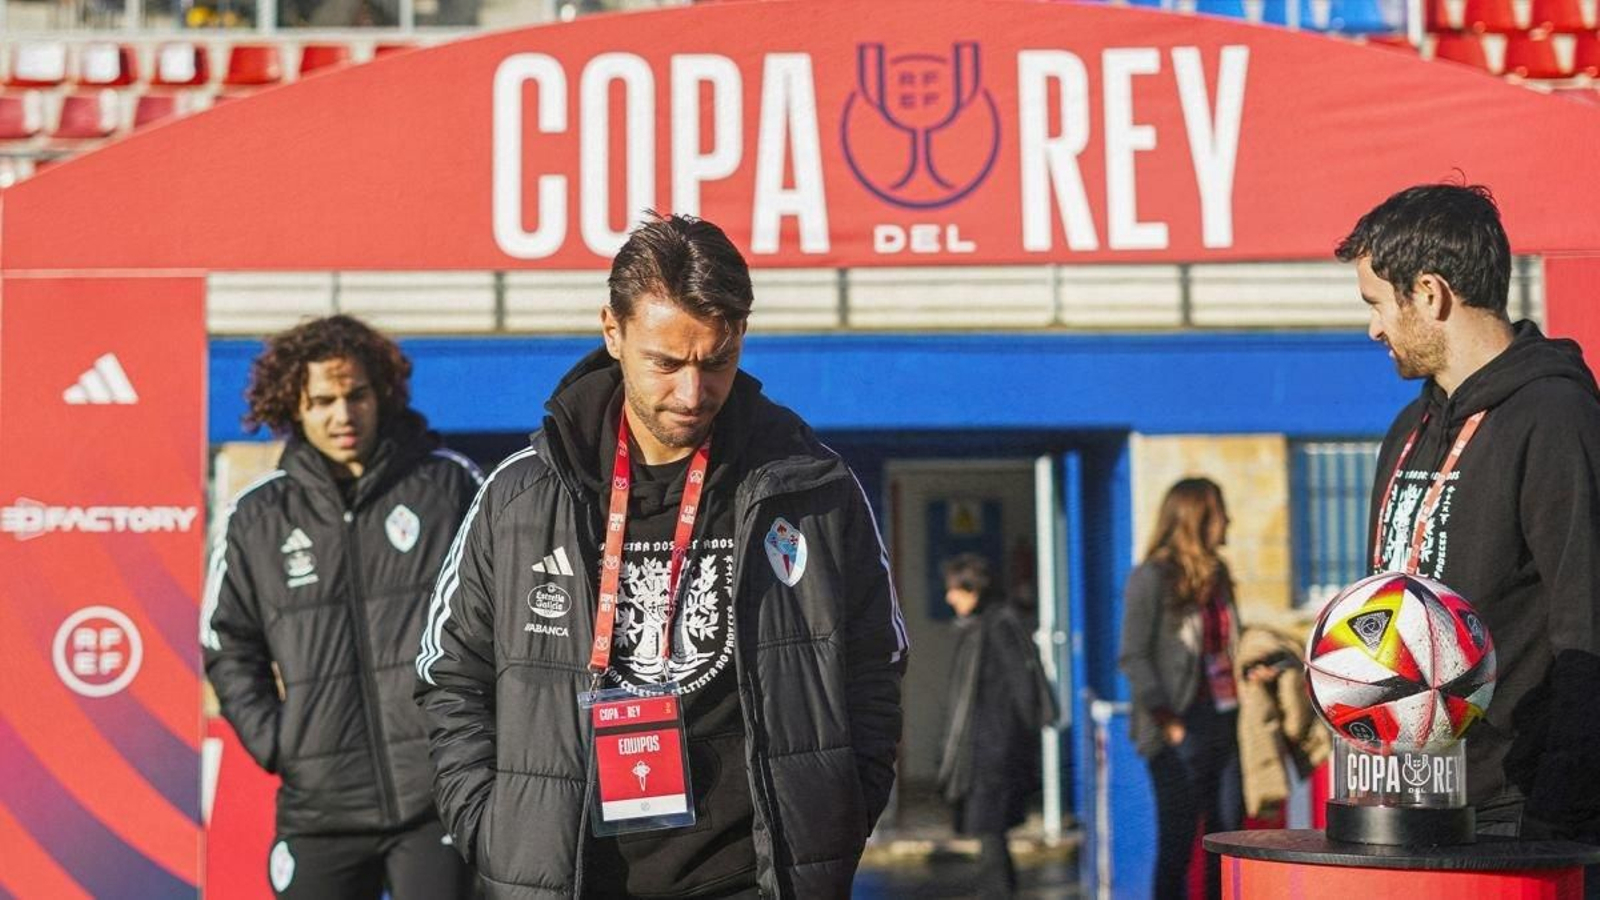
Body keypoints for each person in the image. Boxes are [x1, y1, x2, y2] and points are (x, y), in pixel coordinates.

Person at [414, 213, 909, 899]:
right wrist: (493, 828)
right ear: (612, 332)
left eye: (716, 361)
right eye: (666, 363)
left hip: (754, 878)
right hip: (575, 877)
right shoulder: (521, 495)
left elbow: (876, 661)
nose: (692, 393)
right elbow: (449, 674)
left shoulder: (809, 487)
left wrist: (837, 815)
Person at [1337, 183, 1600, 851]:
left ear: (1430, 294)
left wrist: (1556, 826)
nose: (1373, 329)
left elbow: (1587, 627)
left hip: (1520, 816)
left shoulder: (1555, 418)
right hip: (1408, 802)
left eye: (1377, 304)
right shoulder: (1410, 427)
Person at [201, 315, 481, 900]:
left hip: (437, 796)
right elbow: (225, 644)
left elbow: (499, 618)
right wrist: (281, 742)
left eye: (356, 395)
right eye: (322, 401)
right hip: (320, 806)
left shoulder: (449, 486)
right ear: (294, 407)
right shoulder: (256, 517)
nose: (343, 415)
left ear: (382, 394)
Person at [1118, 477, 1243, 900]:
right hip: (1178, 725)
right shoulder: (1151, 577)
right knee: (1178, 841)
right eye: (1221, 512)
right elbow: (1133, 656)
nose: (1229, 521)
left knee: (1228, 838)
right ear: (1197, 519)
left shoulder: (1219, 576)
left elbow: (1226, 645)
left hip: (1225, 718)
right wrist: (1168, 722)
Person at [935, 553, 1056, 900]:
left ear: (973, 589)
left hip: (993, 751)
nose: (950, 597)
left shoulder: (997, 625)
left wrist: (1012, 744)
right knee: (990, 835)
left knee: (990, 833)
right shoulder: (981, 626)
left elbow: (1023, 687)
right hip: (984, 749)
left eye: (955, 589)